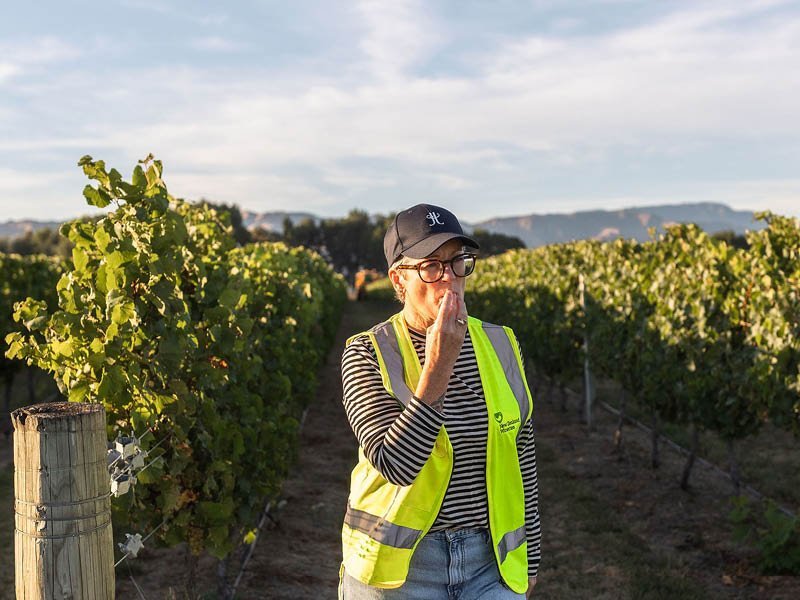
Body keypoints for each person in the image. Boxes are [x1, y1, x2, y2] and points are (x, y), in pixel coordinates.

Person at [339, 204, 541, 599]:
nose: (448, 278)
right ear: (398, 279)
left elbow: (522, 453)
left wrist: (530, 558)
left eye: (457, 262)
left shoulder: (502, 342)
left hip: (490, 564)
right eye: (431, 266)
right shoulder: (367, 352)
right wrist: (438, 367)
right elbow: (396, 465)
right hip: (398, 571)